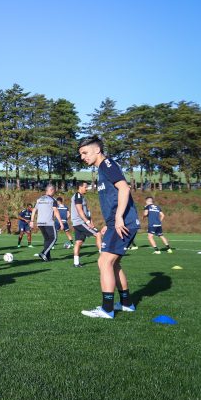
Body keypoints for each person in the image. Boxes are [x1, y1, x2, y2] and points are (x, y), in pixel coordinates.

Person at [78, 136, 139, 319]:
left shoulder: (108, 165)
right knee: (114, 263)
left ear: (97, 150)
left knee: (104, 262)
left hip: (123, 223)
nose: (82, 157)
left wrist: (119, 218)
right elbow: (114, 199)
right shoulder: (103, 170)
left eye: (84, 152)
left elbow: (124, 188)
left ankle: (107, 309)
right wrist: (109, 223)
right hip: (116, 223)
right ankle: (127, 303)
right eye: (80, 154)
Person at [70, 180, 102, 267]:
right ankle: (103, 258)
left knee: (79, 242)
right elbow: (80, 210)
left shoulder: (82, 197)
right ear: (80, 187)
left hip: (78, 223)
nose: (86, 189)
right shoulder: (78, 196)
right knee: (98, 234)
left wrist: (91, 221)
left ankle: (76, 263)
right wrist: (87, 222)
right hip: (80, 222)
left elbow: (86, 211)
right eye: (85, 187)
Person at [30, 184, 58, 262]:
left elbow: (34, 210)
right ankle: (44, 253)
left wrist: (32, 221)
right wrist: (60, 222)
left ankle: (47, 257)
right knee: (54, 238)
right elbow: (55, 211)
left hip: (40, 223)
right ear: (51, 190)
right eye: (54, 191)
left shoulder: (39, 199)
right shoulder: (52, 200)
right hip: (48, 222)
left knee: (47, 239)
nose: (54, 192)